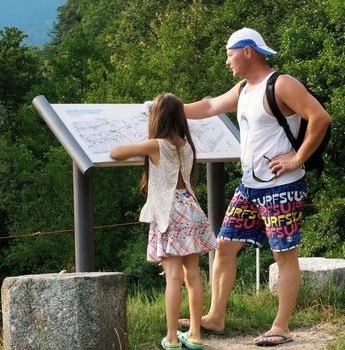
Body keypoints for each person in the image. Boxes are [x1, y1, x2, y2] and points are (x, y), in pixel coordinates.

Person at [178, 28, 332, 346]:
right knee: (225, 245)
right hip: (250, 187)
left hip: (281, 187)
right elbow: (208, 108)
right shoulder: (244, 89)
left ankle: (281, 326)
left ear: (248, 51)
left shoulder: (281, 84)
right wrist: (170, 108)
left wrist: (297, 157)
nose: (226, 60)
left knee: (284, 254)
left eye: (229, 53)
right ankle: (215, 317)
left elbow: (320, 118)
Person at [110, 93, 218, 350]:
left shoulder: (156, 145)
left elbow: (116, 152)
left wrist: (144, 137)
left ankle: (171, 337)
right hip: (191, 209)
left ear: (157, 118)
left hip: (169, 213)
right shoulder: (186, 144)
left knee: (172, 278)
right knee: (193, 276)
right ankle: (194, 335)